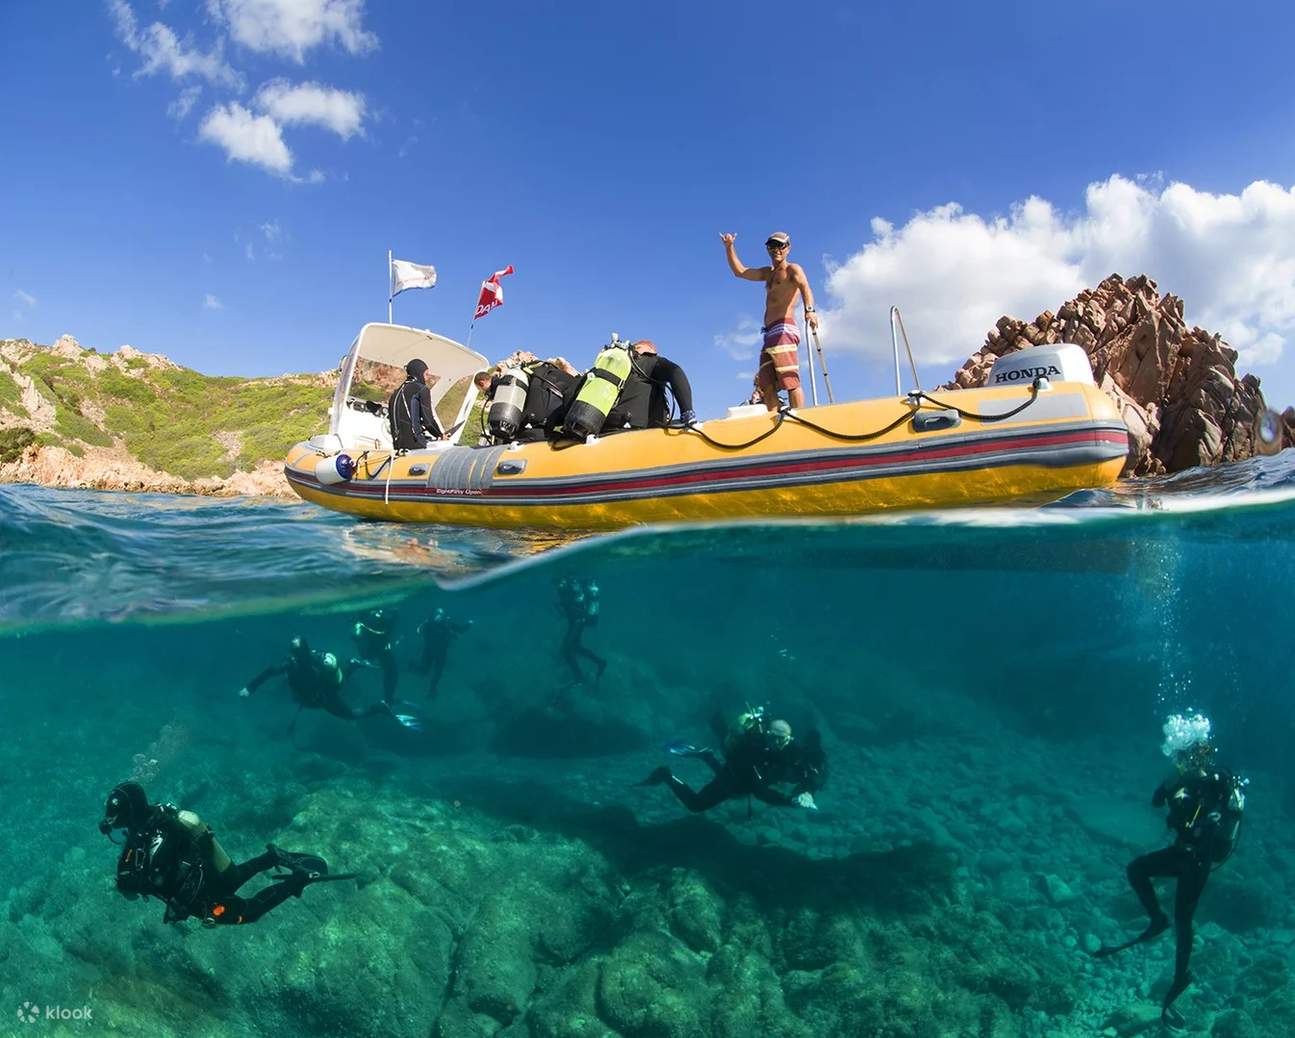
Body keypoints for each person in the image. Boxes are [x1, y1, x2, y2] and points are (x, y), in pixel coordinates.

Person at [1091, 713, 1246, 1034]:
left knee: (1184, 919)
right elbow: (1156, 802)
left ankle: (1179, 979)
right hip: (1179, 854)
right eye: (1181, 756)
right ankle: (1155, 920)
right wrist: (1170, 785)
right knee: (1136, 869)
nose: (1184, 761)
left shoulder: (1215, 784)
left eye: (1189, 756)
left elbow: (1210, 825)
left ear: (1200, 755)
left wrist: (1191, 803)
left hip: (1198, 862)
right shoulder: (1181, 779)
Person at [99, 781, 355, 926]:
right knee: (237, 876)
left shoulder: (156, 832)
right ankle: (273, 857)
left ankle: (298, 880)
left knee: (248, 912)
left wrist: (129, 881)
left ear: (129, 812)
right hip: (213, 871)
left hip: (202, 894)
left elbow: (154, 875)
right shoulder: (154, 821)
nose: (111, 821)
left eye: (115, 816)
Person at [640, 706, 827, 814]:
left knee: (734, 775)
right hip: (733, 779)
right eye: (773, 738)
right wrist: (790, 801)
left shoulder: (792, 751)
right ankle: (666, 774)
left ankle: (707, 754)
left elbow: (812, 773)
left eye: (782, 739)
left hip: (743, 776)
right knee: (696, 805)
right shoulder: (753, 752)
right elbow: (759, 792)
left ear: (790, 739)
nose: (777, 743)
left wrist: (807, 791)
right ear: (766, 735)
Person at [720, 230, 819, 411]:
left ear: (788, 248)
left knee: (789, 378)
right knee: (766, 383)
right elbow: (740, 272)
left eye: (780, 245)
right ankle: (773, 420)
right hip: (768, 332)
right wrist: (729, 247)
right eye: (772, 246)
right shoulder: (768, 273)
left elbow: (805, 287)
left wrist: (810, 310)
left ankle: (799, 416)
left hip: (784, 328)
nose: (776, 250)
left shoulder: (792, 269)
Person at [238, 635, 421, 730]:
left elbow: (270, 671)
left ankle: (379, 708)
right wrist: (249, 688)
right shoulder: (314, 657)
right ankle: (353, 665)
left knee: (350, 715)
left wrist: (249, 688)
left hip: (322, 698)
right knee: (340, 682)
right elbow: (271, 671)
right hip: (329, 687)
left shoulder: (290, 664)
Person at [604, 340, 697, 430]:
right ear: (650, 349)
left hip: (603, 432)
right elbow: (675, 371)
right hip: (632, 432)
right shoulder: (649, 361)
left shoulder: (618, 368)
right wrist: (687, 414)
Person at [412, 607, 472, 699]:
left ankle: (432, 690)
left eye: (441, 615)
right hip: (429, 651)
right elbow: (419, 631)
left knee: (438, 672)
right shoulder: (428, 623)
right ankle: (413, 667)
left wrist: (469, 624)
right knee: (424, 671)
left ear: (444, 616)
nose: (438, 616)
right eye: (437, 614)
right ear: (433, 615)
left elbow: (461, 630)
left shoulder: (447, 624)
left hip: (440, 652)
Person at [556, 577, 606, 684]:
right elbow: (569, 609)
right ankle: (600, 662)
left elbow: (573, 607)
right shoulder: (567, 587)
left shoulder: (567, 587)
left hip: (577, 621)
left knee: (565, 650)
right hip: (576, 621)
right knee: (576, 647)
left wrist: (562, 607)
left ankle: (579, 676)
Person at [388, 358, 445, 449]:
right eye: (426, 374)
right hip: (415, 444)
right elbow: (429, 421)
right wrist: (441, 435)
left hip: (398, 445)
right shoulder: (421, 389)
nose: (427, 378)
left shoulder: (396, 392)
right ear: (419, 373)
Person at [350, 608, 400, 705]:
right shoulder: (363, 622)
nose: (379, 613)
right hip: (371, 651)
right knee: (390, 671)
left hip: (380, 650)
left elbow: (389, 626)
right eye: (376, 611)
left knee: (392, 671)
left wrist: (394, 615)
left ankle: (388, 698)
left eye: (380, 611)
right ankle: (388, 698)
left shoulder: (379, 620)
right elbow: (355, 637)